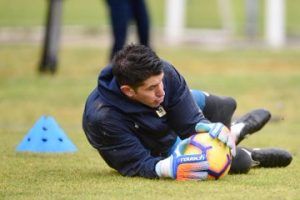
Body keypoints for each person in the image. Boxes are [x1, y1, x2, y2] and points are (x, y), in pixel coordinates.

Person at [82, 44, 292, 180]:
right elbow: (138, 164)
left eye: (161, 82)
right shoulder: (102, 119)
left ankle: (232, 130)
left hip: (168, 112)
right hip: (155, 140)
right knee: (233, 163)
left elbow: (190, 123)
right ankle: (246, 148)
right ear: (128, 91)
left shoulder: (165, 72)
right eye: (151, 88)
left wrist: (206, 127)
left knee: (224, 106)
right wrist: (166, 168)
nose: (161, 91)